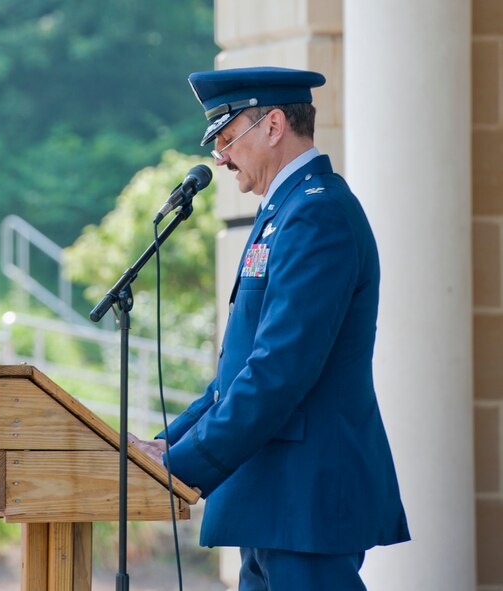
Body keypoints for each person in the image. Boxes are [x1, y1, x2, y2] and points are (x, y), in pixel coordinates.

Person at [128, 67, 410, 590]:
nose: (220, 157)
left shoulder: (316, 214)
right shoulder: (284, 211)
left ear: (274, 125)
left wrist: (184, 466)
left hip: (307, 502)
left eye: (228, 137)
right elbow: (237, 374)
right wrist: (167, 446)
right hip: (273, 498)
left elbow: (279, 368)